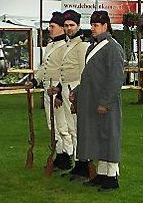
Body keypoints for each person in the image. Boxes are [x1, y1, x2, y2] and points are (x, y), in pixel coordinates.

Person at [70, 11, 125, 191]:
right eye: (92, 25)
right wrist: (77, 92)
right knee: (97, 137)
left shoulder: (113, 47)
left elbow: (116, 78)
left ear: (105, 26)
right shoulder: (92, 46)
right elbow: (89, 76)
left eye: (96, 25)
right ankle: (101, 173)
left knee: (109, 136)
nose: (92, 28)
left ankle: (112, 176)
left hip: (105, 102)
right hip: (91, 99)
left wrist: (105, 102)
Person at [30, 11, 69, 165]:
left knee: (62, 124)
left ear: (61, 28)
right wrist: (35, 81)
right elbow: (44, 67)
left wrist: (59, 92)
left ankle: (67, 154)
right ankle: (59, 153)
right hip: (47, 89)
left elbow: (66, 70)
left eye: (52, 26)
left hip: (58, 89)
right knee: (51, 124)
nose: (49, 29)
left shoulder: (65, 46)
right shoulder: (51, 45)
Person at [58, 10, 87, 172]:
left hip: (75, 89)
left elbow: (83, 72)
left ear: (78, 26)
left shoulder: (81, 46)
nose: (68, 28)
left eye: (71, 25)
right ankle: (78, 161)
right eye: (66, 25)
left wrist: (77, 93)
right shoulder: (68, 44)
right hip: (66, 88)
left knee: (76, 128)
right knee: (70, 128)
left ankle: (81, 162)